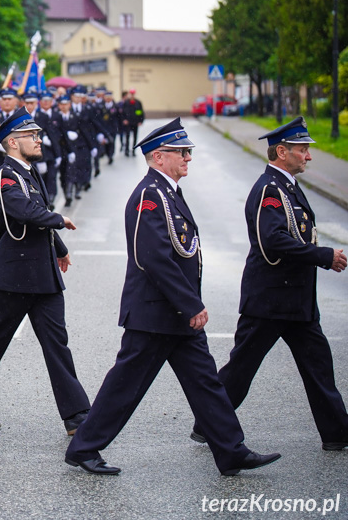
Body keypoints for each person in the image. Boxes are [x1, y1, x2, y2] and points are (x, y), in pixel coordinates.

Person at [64, 119, 281, 476]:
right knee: (125, 385)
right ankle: (84, 448)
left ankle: (231, 451)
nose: (189, 158)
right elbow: (154, 257)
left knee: (206, 383)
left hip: (173, 314)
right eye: (183, 152)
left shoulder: (168, 193)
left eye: (189, 151)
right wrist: (191, 304)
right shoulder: (150, 195)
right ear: (159, 157)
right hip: (155, 312)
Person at [190, 116, 348, 451]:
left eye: (306, 149)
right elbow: (273, 241)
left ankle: (337, 434)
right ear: (281, 151)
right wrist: (323, 255)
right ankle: (207, 423)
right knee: (241, 369)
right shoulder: (269, 190)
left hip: (297, 301)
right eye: (302, 149)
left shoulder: (287, 186)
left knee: (319, 366)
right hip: (271, 300)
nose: (308, 156)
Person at [0, 108, 91, 433]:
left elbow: (36, 210)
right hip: (15, 277)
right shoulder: (5, 176)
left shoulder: (27, 171)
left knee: (57, 342)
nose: (39, 139)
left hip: (42, 275)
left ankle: (76, 415)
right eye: (33, 136)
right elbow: (25, 210)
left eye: (38, 135)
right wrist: (59, 219)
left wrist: (59, 247)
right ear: (13, 143)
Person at [121, 89, 145, 156]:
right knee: (127, 136)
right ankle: (127, 150)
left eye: (133, 94)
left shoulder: (138, 102)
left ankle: (134, 150)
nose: (132, 96)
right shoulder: (126, 102)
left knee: (135, 137)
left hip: (135, 122)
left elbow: (141, 112)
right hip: (128, 122)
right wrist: (124, 119)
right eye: (131, 94)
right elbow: (122, 112)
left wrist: (140, 121)